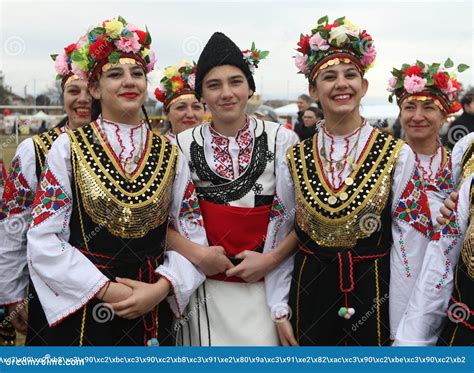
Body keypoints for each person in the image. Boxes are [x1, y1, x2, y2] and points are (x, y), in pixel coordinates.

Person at [25, 16, 206, 346]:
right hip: (87, 302)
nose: (129, 81)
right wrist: (106, 289)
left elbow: (192, 230)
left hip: (150, 305)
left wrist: (162, 287)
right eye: (115, 74)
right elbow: (44, 238)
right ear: (94, 88)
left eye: (137, 73)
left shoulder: (170, 152)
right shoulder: (69, 148)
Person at [274, 16, 433, 346]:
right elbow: (281, 229)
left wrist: (402, 327)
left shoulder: (397, 154)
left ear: (364, 86)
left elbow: (410, 245)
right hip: (309, 290)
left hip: (373, 291)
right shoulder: (295, 156)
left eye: (351, 75)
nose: (341, 84)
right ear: (313, 89)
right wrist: (278, 307)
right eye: (329, 77)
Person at [172, 32, 299, 345]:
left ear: (250, 88)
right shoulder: (180, 146)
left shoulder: (282, 140)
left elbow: (304, 219)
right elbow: (160, 224)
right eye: (214, 85)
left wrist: (270, 260)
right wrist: (200, 255)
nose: (226, 93)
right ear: (201, 93)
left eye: (236, 81)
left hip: (269, 283)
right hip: (202, 290)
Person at [0, 41, 95, 344]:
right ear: (62, 96)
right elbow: (12, 225)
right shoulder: (34, 150)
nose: (82, 100)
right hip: (47, 290)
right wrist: (13, 294)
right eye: (73, 91)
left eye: (89, 91)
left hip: (114, 284)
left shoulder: (122, 149)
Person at [387, 59, 463, 223]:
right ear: (400, 115)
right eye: (409, 107)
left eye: (428, 107)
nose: (417, 116)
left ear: (443, 116)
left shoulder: (458, 166)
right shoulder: (384, 164)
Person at [154, 60, 204, 138]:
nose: (190, 114)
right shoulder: (155, 149)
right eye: (181, 108)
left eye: (196, 107)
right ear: (167, 115)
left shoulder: (216, 147)